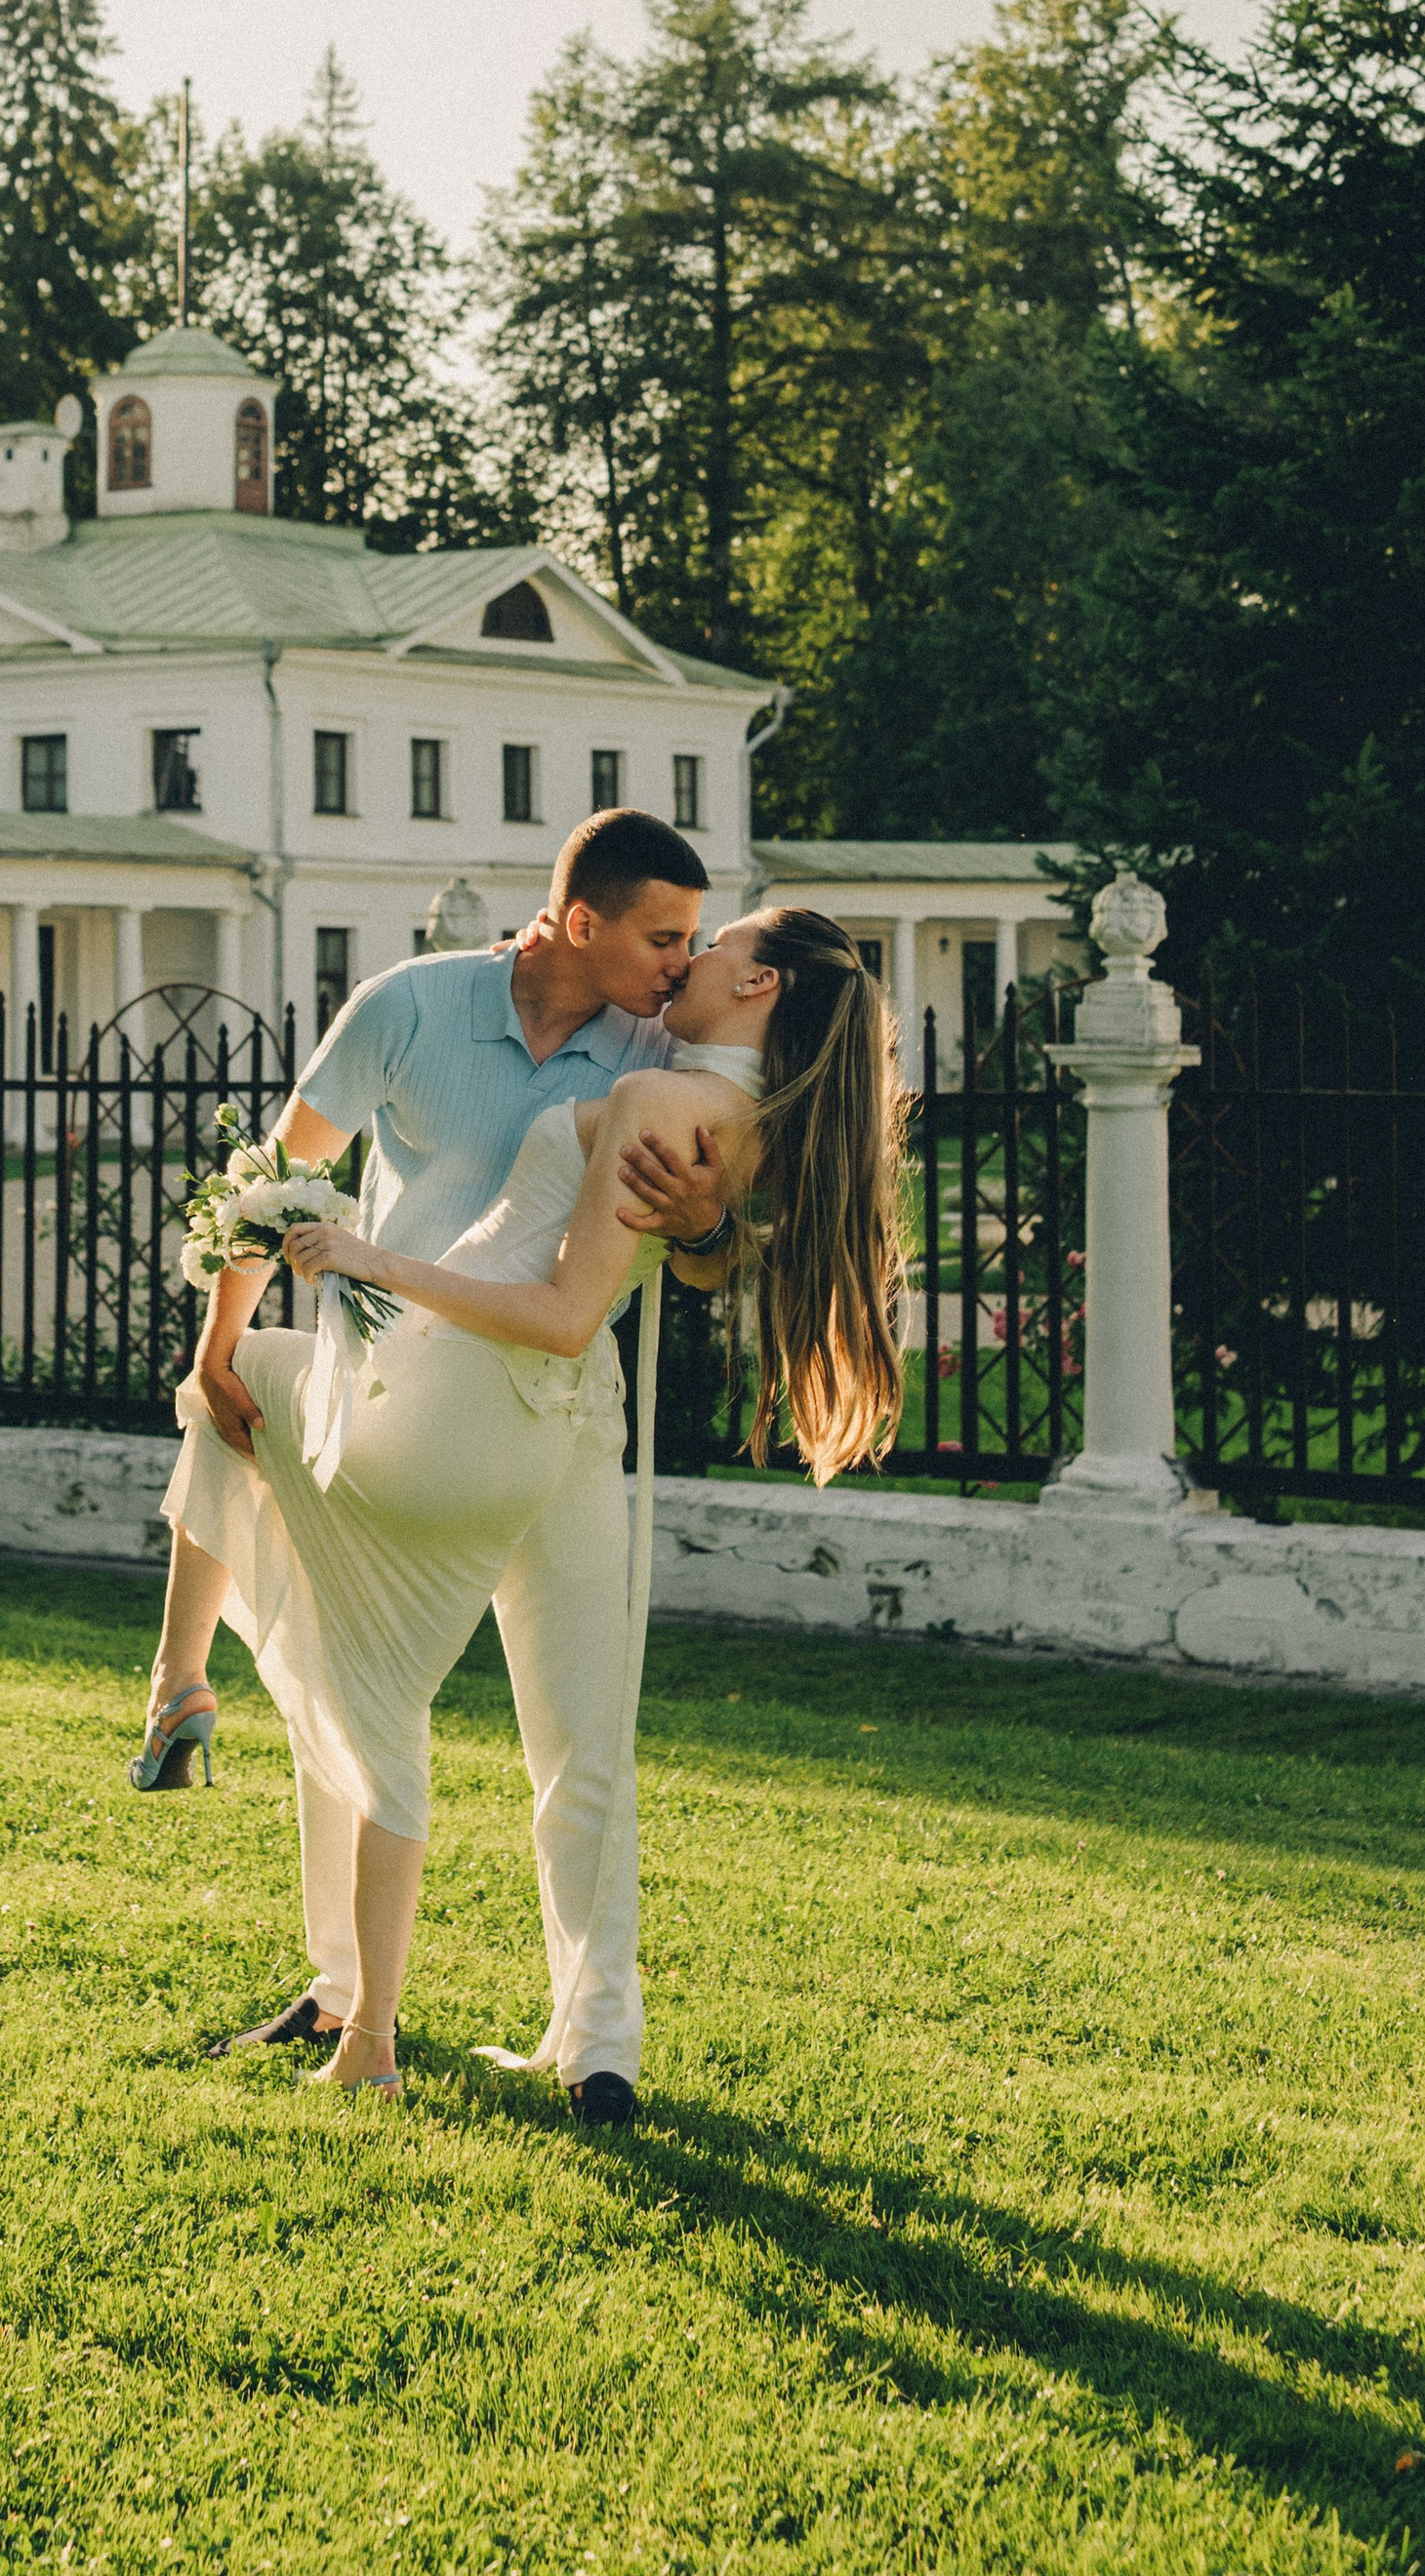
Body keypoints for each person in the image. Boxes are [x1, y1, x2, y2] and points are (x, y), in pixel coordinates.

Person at [142, 895, 905, 2107]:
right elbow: (294, 1162)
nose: (683, 963)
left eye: (707, 947)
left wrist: (702, 1219)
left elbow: (667, 1251)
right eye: (669, 940)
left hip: (506, 1394)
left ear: (759, 989)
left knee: (560, 1733)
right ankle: (360, 1997)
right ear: (578, 922)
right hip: (443, 1373)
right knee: (356, 1656)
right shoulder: (417, 1003)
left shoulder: (657, 1052)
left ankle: (582, 2037)